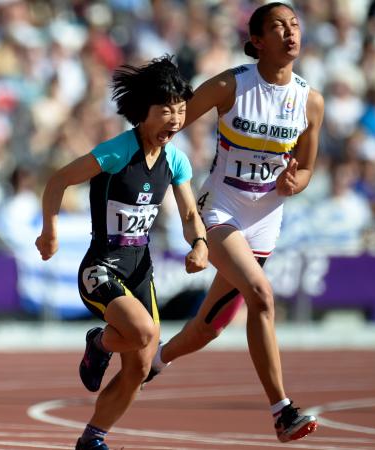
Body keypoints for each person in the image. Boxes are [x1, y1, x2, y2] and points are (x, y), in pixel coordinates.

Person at [142, 3, 324, 444]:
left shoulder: (310, 102)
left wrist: (292, 181)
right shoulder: (231, 85)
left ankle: (150, 362)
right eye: (279, 27)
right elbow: (176, 119)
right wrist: (149, 162)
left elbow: (304, 171)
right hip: (220, 210)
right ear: (258, 40)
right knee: (261, 294)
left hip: (265, 221)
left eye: (294, 25)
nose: (290, 33)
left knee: (210, 326)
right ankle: (283, 411)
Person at [35, 55, 208, 450]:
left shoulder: (176, 161)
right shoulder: (117, 151)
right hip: (101, 269)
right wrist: (50, 231)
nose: (175, 120)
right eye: (165, 111)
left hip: (139, 272)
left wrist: (199, 243)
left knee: (142, 367)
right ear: (143, 113)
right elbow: (59, 180)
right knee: (144, 331)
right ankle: (98, 343)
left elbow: (188, 214)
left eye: (181, 111)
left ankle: (92, 439)